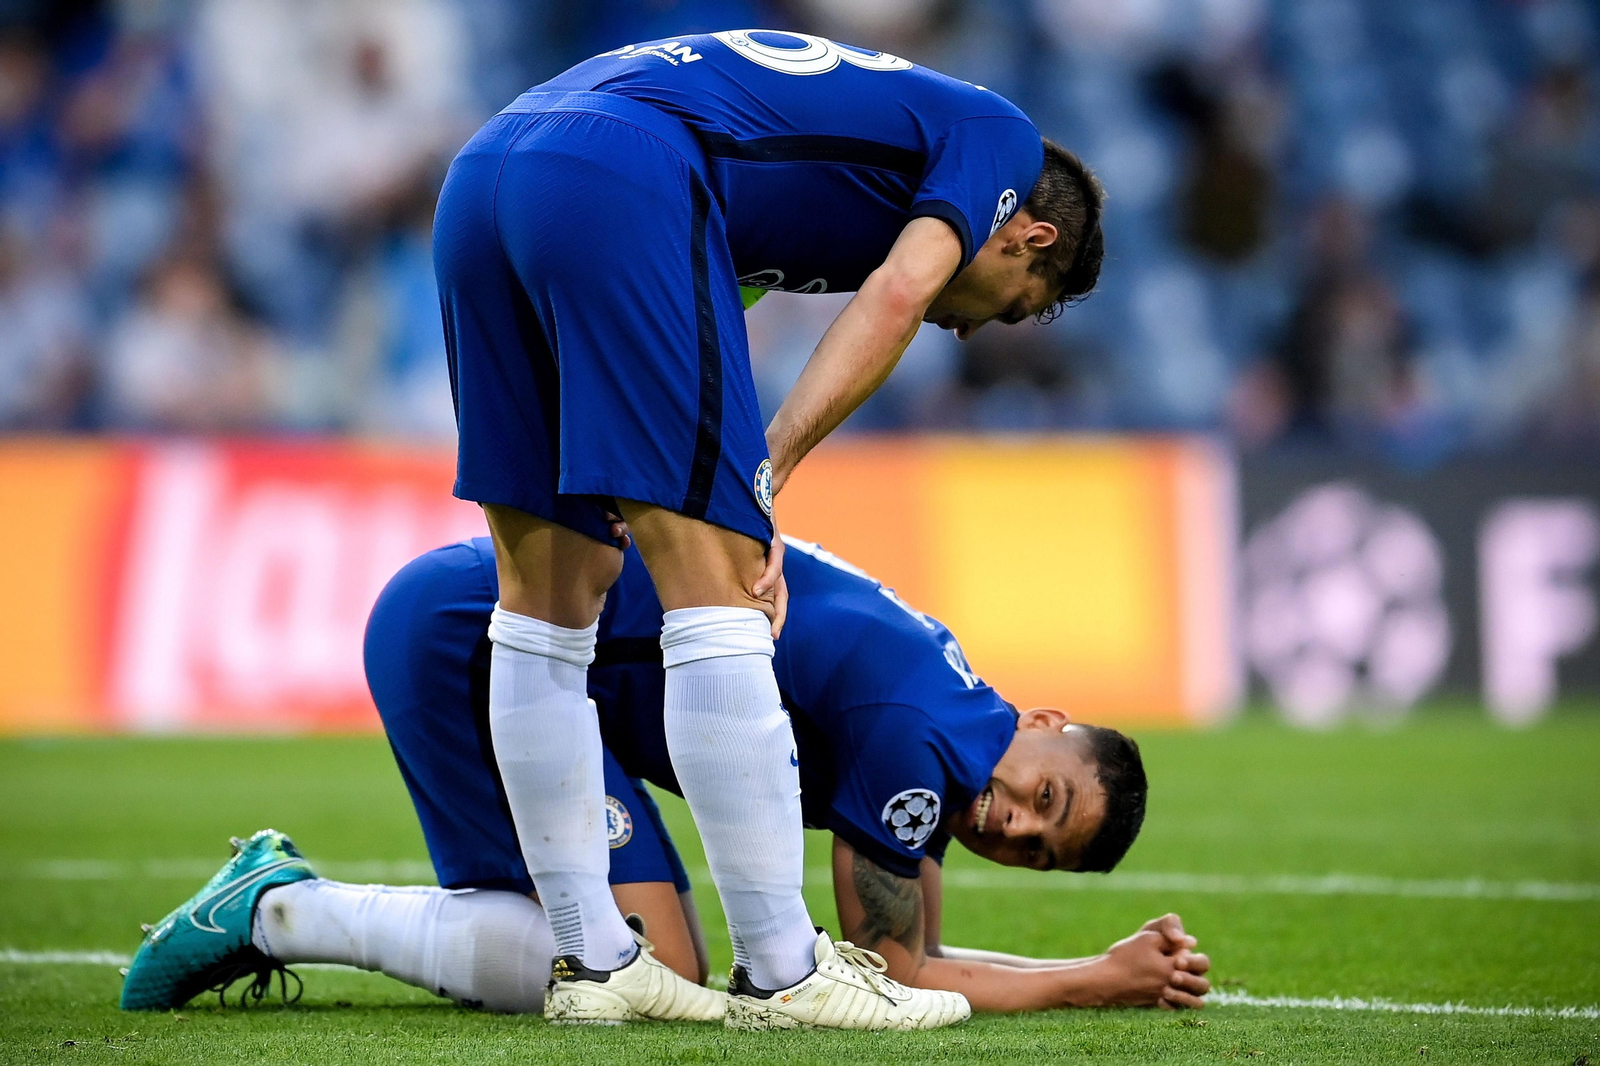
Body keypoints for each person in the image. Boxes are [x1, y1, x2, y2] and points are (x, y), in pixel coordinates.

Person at [427, 27, 1105, 1029]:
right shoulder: (999, 141)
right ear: (1027, 238)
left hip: (491, 169)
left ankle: (597, 958)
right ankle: (785, 974)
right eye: (1013, 304)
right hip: (629, 169)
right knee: (724, 581)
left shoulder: (853, 161)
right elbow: (902, 292)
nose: (973, 328)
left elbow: (704, 298)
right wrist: (765, 469)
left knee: (548, 602)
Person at [119, 537, 1208, 1018]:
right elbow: (889, 974)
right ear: (1047, 722)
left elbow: (903, 959)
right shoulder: (920, 744)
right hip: (476, 642)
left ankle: (280, 905)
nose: (1012, 823)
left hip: (506, 638)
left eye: (1034, 848)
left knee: (627, 961)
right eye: (1043, 797)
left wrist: (1090, 963)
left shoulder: (953, 715)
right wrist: (1089, 978)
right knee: (645, 971)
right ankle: (276, 911)